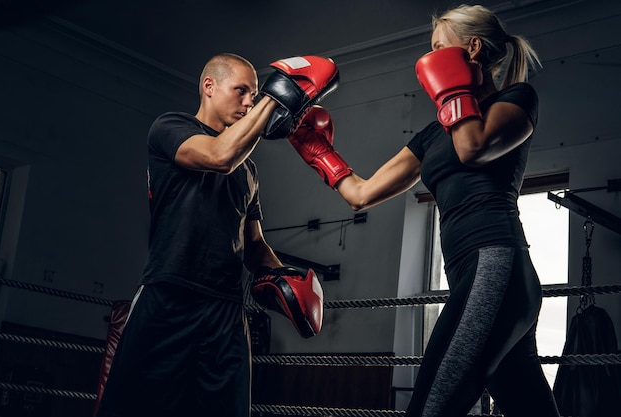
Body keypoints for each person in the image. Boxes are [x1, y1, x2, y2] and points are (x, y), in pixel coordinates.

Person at [287, 4, 561, 417]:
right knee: (530, 408)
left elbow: (473, 149)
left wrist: (454, 89)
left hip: (496, 266)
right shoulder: (434, 133)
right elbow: (360, 194)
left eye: (437, 47)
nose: (428, 58)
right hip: (477, 278)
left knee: (431, 408)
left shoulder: (517, 100)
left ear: (471, 48)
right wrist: (316, 149)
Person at [94, 52, 336, 417]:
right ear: (209, 87)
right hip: (169, 296)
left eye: (254, 94)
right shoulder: (170, 128)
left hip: (226, 311)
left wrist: (287, 283)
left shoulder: (249, 169)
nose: (249, 101)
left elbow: (254, 246)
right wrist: (278, 95)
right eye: (241, 91)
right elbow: (219, 156)